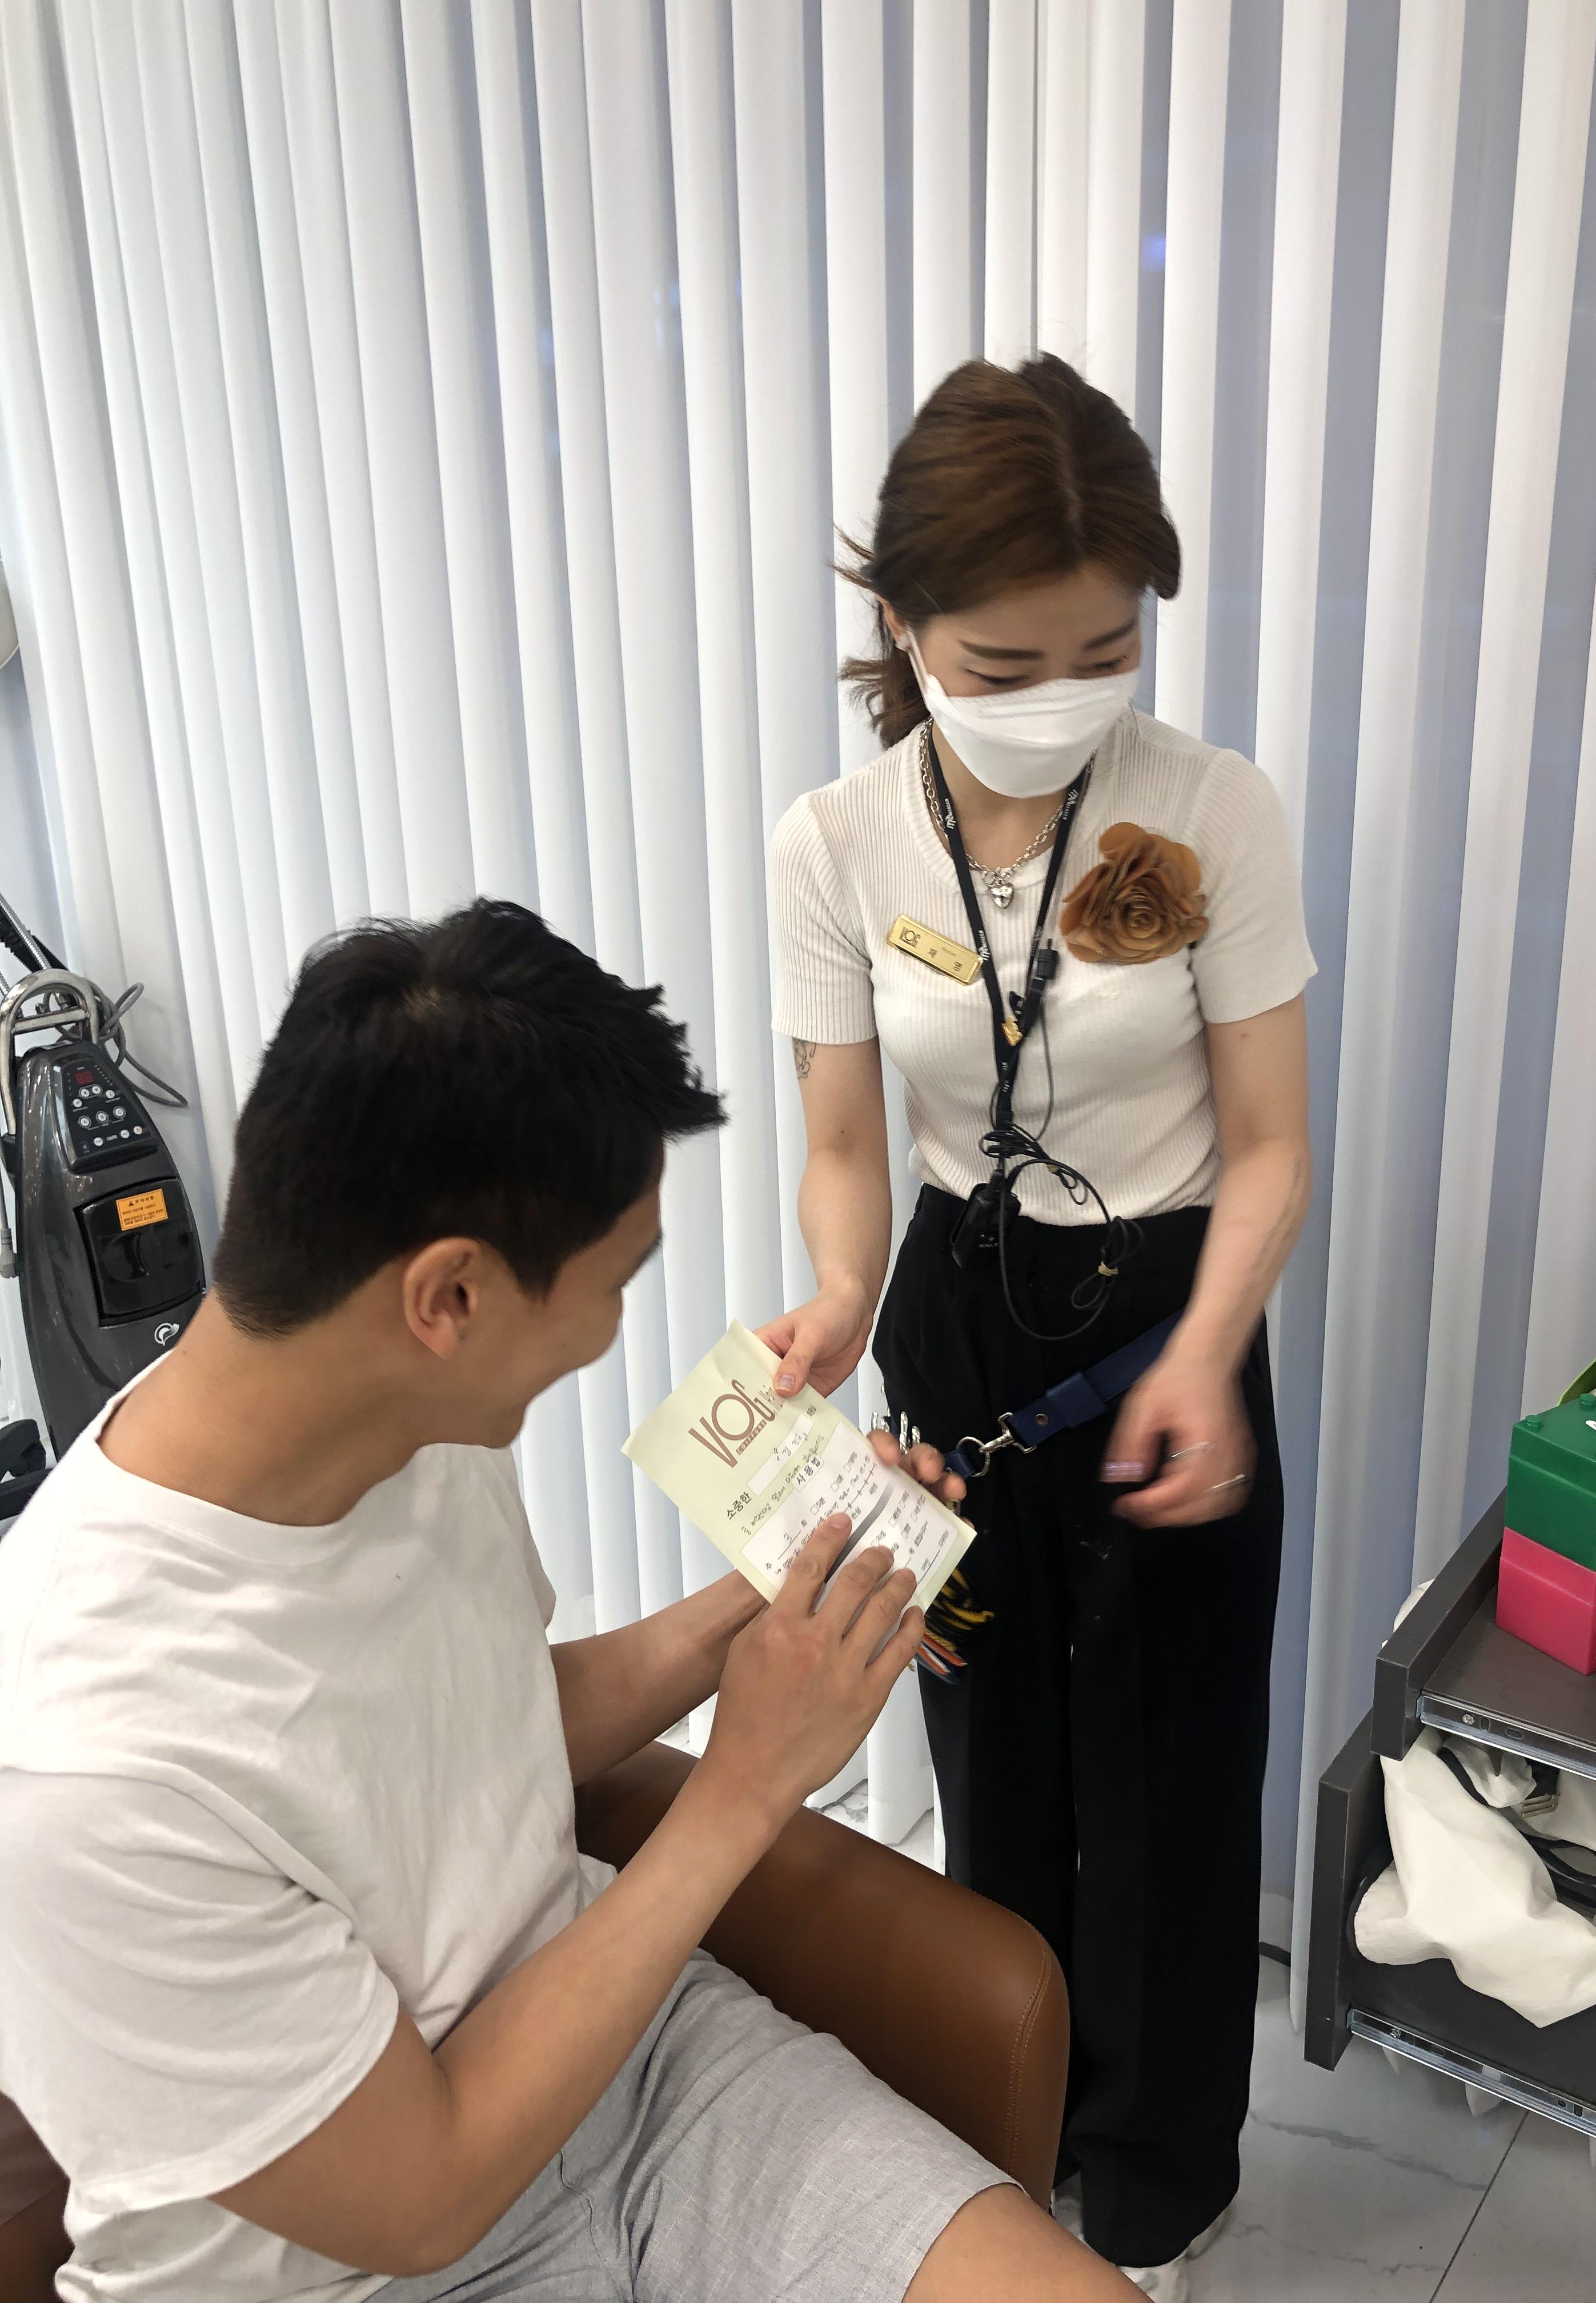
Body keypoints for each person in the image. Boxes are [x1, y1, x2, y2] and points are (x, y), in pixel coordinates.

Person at [0, 900, 1141, 2303]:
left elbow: (482, 1727)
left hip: (634, 2065)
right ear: (451, 1300)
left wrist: (773, 1600)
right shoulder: (82, 1770)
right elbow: (421, 2200)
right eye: (613, 1285)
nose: (611, 1330)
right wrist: (745, 1785)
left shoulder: (410, 1421)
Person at [765, 356, 1314, 2298]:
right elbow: (848, 1146)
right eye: (1004, 663)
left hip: (1174, 1313)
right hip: (953, 1313)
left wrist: (1208, 1352)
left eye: (1107, 647)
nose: (1063, 692)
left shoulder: (1209, 810)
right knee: (989, 1744)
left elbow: (1270, 1143)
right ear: (905, 626)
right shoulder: (836, 842)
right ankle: (1007, 2138)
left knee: (1171, 1774)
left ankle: (1152, 2196)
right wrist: (839, 1303)